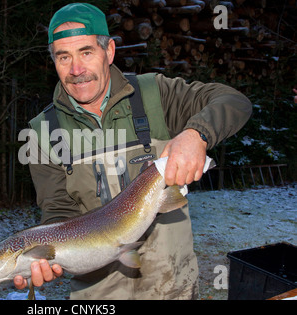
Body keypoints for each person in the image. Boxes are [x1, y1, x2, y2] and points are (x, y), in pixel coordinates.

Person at [14, 3, 252, 299]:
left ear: (109, 51)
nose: (76, 70)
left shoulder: (155, 95)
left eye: (86, 52)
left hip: (173, 287)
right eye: (64, 57)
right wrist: (51, 257)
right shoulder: (42, 133)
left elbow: (234, 100)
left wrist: (197, 134)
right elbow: (57, 213)